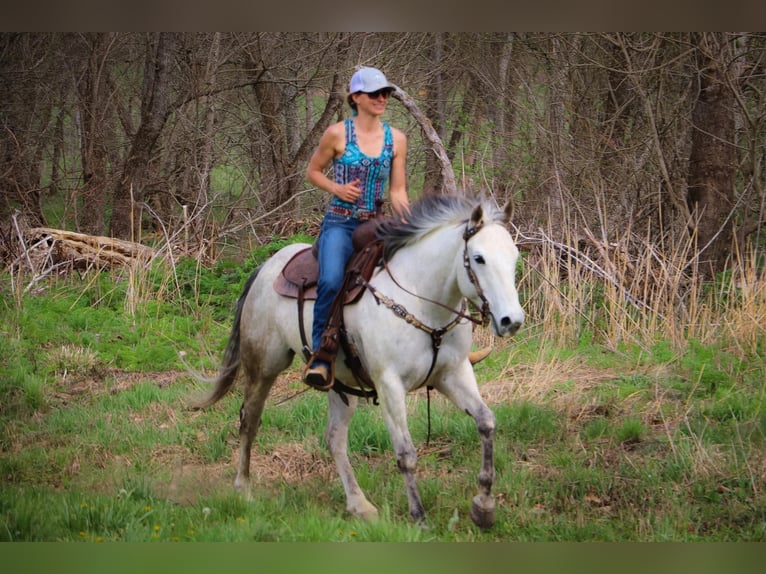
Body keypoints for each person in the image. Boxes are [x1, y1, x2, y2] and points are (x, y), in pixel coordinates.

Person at [303, 66, 410, 390]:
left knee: (417, 270)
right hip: (340, 221)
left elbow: (397, 191)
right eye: (375, 93)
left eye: (385, 93)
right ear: (356, 97)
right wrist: (335, 189)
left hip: (377, 222)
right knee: (332, 278)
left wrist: (408, 225)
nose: (382, 99)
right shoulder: (337, 134)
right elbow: (314, 171)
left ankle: (442, 348)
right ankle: (322, 354)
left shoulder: (397, 139)